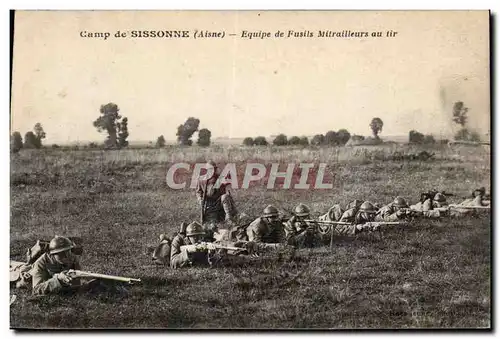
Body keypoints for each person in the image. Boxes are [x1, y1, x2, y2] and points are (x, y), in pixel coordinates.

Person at [9, 236, 83, 296]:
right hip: (23, 277)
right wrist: (58, 279)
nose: (66, 256)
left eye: (68, 251)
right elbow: (36, 290)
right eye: (61, 254)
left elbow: (77, 281)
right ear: (52, 254)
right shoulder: (42, 262)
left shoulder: (72, 258)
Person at [196, 160, 238, 227]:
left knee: (225, 196)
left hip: (219, 201)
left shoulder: (219, 178)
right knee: (213, 223)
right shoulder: (201, 180)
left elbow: (229, 179)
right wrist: (200, 199)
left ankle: (229, 218)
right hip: (209, 205)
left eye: (213, 169)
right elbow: (198, 191)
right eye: (209, 169)